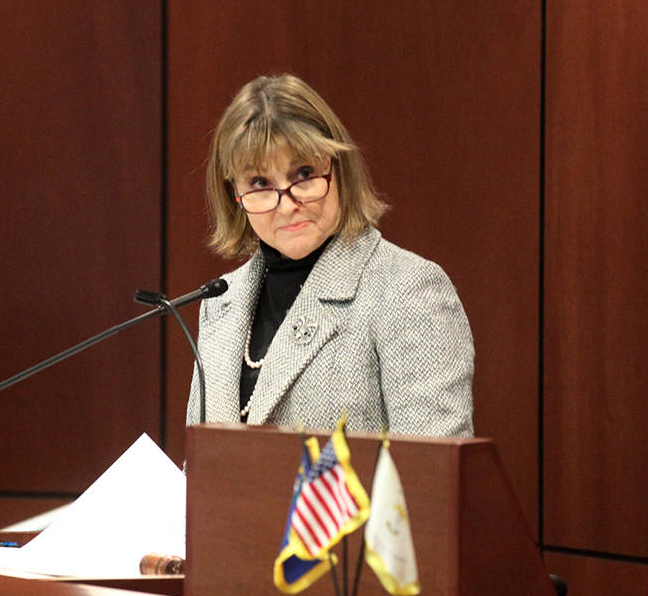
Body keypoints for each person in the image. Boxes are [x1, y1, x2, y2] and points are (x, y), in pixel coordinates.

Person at [186, 74, 474, 437]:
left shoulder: (408, 291)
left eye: (303, 174)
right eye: (260, 183)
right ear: (234, 194)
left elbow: (432, 479)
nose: (286, 204)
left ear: (338, 170)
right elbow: (203, 467)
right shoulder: (220, 301)